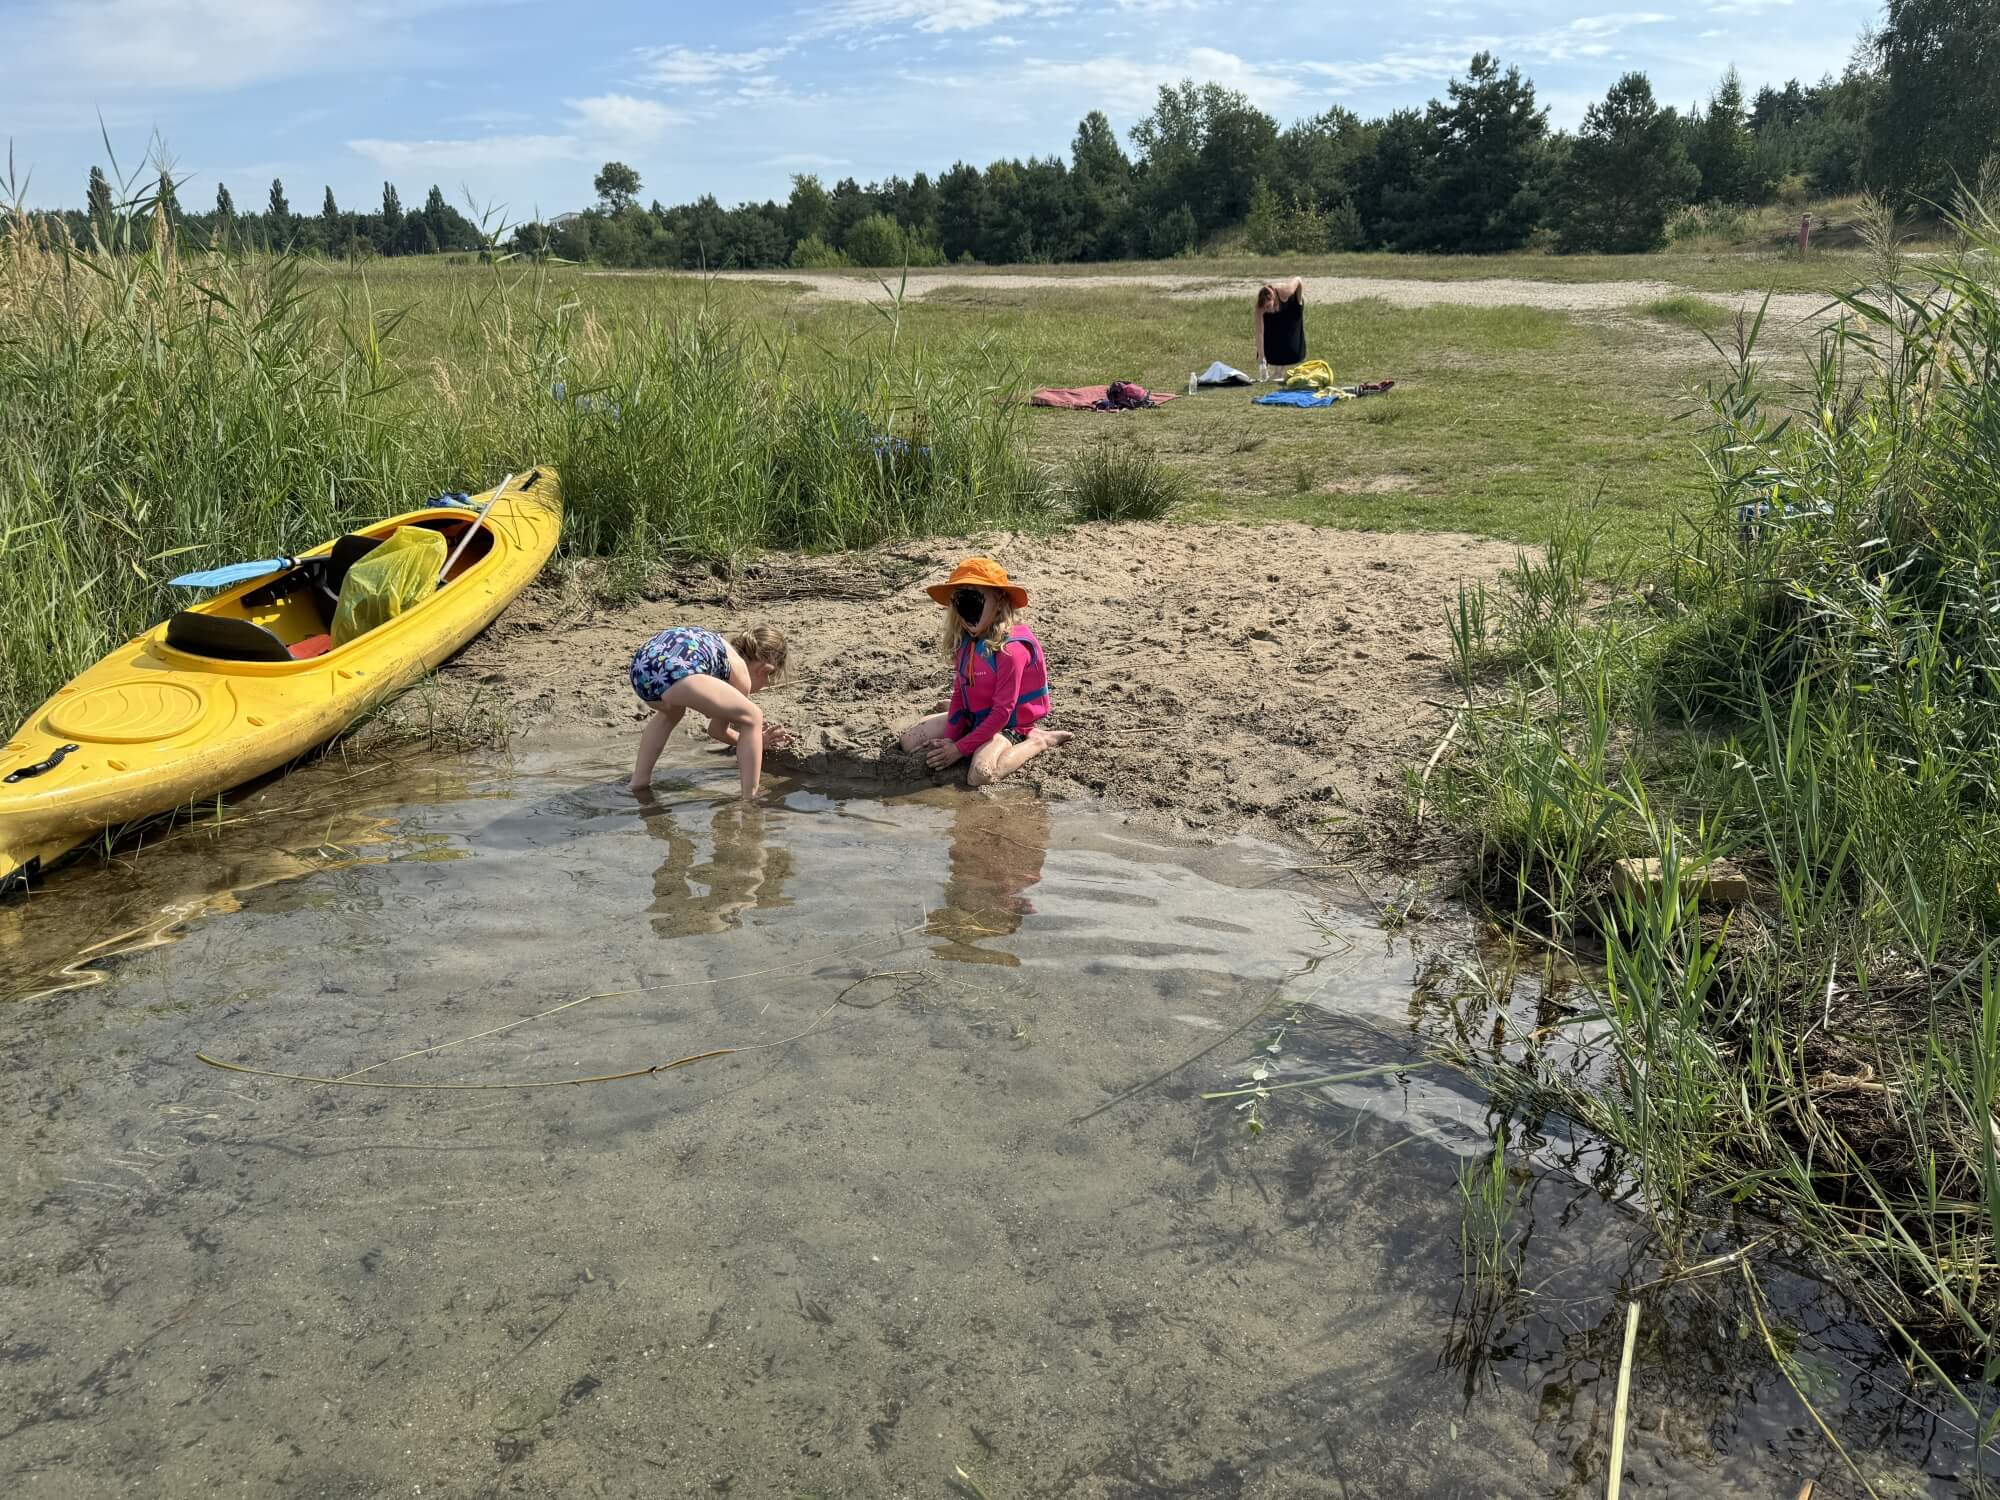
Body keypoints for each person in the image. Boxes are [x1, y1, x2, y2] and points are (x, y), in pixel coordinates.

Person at [899, 558, 1072, 787]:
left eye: (976, 599)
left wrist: (958, 750)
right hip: (977, 717)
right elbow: (961, 693)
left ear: (999, 600)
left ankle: (1039, 741)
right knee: (908, 742)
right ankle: (953, 720)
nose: (967, 609)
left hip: (1007, 724)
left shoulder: (1011, 650)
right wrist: (949, 739)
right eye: (961, 601)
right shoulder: (965, 642)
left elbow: (1002, 713)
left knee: (980, 774)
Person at [628, 624, 788, 797]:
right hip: (675, 669)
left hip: (642, 667)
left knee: (671, 713)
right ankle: (751, 795)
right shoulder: (741, 675)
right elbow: (719, 730)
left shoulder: (723, 652)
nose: (764, 686)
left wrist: (758, 741)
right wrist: (756, 737)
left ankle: (639, 781)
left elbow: (715, 731)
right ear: (765, 670)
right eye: (768, 680)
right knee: (753, 716)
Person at [1254, 278, 1306, 377]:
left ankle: (1279, 371)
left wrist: (1299, 301)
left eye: (1268, 306)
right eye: (1264, 308)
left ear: (1272, 298)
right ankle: (1274, 369)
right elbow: (1260, 333)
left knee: (1286, 335)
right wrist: (1261, 356)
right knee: (1271, 334)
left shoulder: (1286, 291)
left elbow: (1298, 280)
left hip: (1292, 305)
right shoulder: (1260, 308)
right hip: (1277, 306)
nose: (1266, 310)